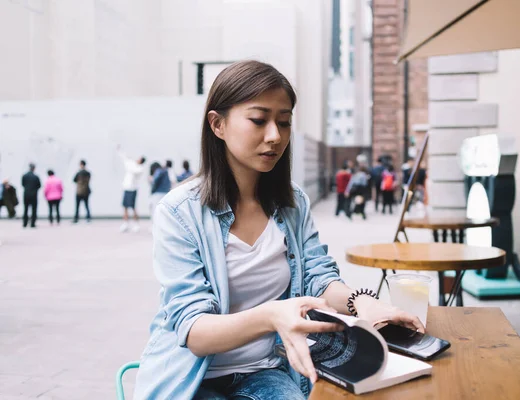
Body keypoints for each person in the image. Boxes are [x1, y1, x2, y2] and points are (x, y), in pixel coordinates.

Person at [133, 60, 423, 400]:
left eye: (284, 122)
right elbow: (194, 331)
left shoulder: (293, 203)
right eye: (258, 120)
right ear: (218, 125)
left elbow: (318, 275)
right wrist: (272, 315)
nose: (275, 136)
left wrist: (364, 304)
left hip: (265, 371)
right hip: (191, 378)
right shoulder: (179, 212)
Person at [117, 146, 146, 233]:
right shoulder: (132, 164)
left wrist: (129, 162)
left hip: (132, 189)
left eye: (139, 159)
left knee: (133, 207)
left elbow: (131, 168)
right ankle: (126, 223)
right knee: (125, 207)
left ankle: (136, 224)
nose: (137, 159)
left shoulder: (140, 169)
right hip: (126, 188)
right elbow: (125, 158)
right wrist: (120, 151)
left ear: (141, 161)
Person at [21, 163, 41, 228]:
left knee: (26, 209)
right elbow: (39, 186)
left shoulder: (24, 176)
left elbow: (23, 184)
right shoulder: (36, 177)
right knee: (34, 209)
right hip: (34, 194)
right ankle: (32, 223)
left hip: (26, 194)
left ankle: (25, 223)